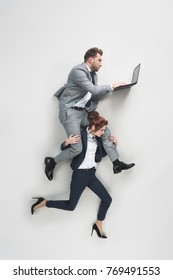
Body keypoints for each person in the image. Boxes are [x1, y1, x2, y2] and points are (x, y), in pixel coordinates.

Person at [44, 47, 135, 181]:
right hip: (70, 114)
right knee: (77, 149)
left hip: (82, 113)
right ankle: (52, 161)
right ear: (90, 59)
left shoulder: (93, 75)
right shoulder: (78, 71)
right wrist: (112, 86)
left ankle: (116, 163)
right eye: (99, 60)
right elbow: (93, 89)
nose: (101, 63)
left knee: (104, 129)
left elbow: (94, 92)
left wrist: (116, 88)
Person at [32, 111, 121, 238]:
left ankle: (98, 224)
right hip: (79, 176)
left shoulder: (98, 140)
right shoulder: (80, 134)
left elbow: (102, 154)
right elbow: (65, 149)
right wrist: (67, 142)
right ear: (94, 128)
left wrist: (114, 143)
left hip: (91, 175)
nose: (104, 133)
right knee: (71, 206)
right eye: (102, 130)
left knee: (107, 199)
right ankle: (44, 202)